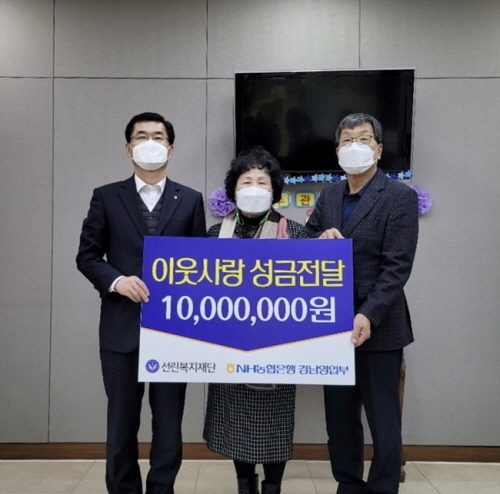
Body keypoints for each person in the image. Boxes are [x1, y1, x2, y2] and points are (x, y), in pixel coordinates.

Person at [76, 112, 207, 494]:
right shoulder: (106, 196)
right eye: (141, 136)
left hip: (174, 330)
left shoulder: (191, 200)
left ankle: (162, 489)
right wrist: (117, 281)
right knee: (121, 425)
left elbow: (200, 265)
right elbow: (87, 256)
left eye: (158, 136)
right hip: (121, 329)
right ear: (128, 147)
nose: (150, 142)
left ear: (171, 148)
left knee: (168, 426)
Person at [305, 113, 419, 494]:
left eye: (364, 139)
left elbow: (397, 265)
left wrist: (368, 312)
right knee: (340, 420)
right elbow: (307, 241)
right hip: (333, 325)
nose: (355, 146)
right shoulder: (330, 195)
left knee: (384, 421)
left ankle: (383, 487)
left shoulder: (399, 196)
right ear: (337, 150)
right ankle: (348, 484)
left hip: (380, 327)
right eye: (347, 140)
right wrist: (319, 240)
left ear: (379, 149)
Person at [203, 146, 307, 494]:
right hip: (228, 345)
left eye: (262, 181)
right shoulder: (214, 234)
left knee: (274, 421)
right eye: (246, 181)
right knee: (237, 422)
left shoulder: (295, 232)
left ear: (274, 190)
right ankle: (244, 485)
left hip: (277, 347)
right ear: (233, 189)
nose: (254, 187)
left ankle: (273, 486)